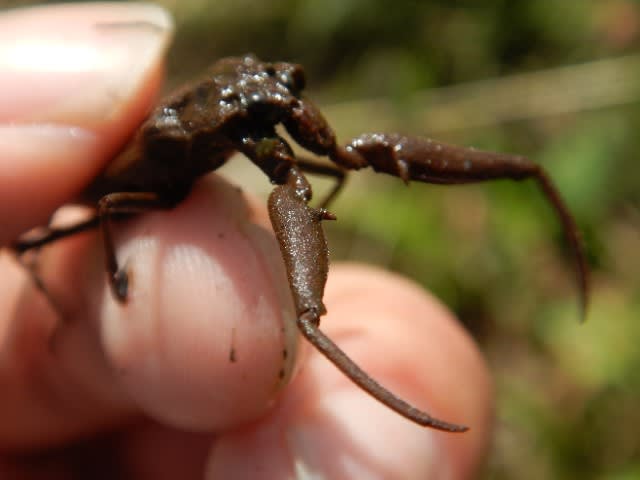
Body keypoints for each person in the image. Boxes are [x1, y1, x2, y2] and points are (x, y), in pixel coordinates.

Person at [0, 3, 493, 478]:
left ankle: (516, 171)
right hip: (131, 190)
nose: (290, 109)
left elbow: (324, 165)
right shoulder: (205, 132)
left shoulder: (246, 112)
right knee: (109, 212)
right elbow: (108, 206)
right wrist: (114, 276)